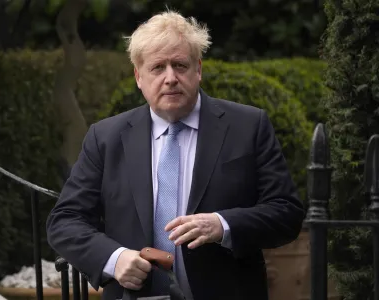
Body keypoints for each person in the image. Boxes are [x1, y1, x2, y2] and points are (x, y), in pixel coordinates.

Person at [46, 10, 305, 300]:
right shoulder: (105, 137)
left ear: (198, 70)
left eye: (180, 65)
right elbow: (65, 221)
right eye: (158, 67)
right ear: (138, 77)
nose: (170, 78)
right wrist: (115, 258)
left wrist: (223, 224)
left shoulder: (247, 126)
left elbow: (287, 212)